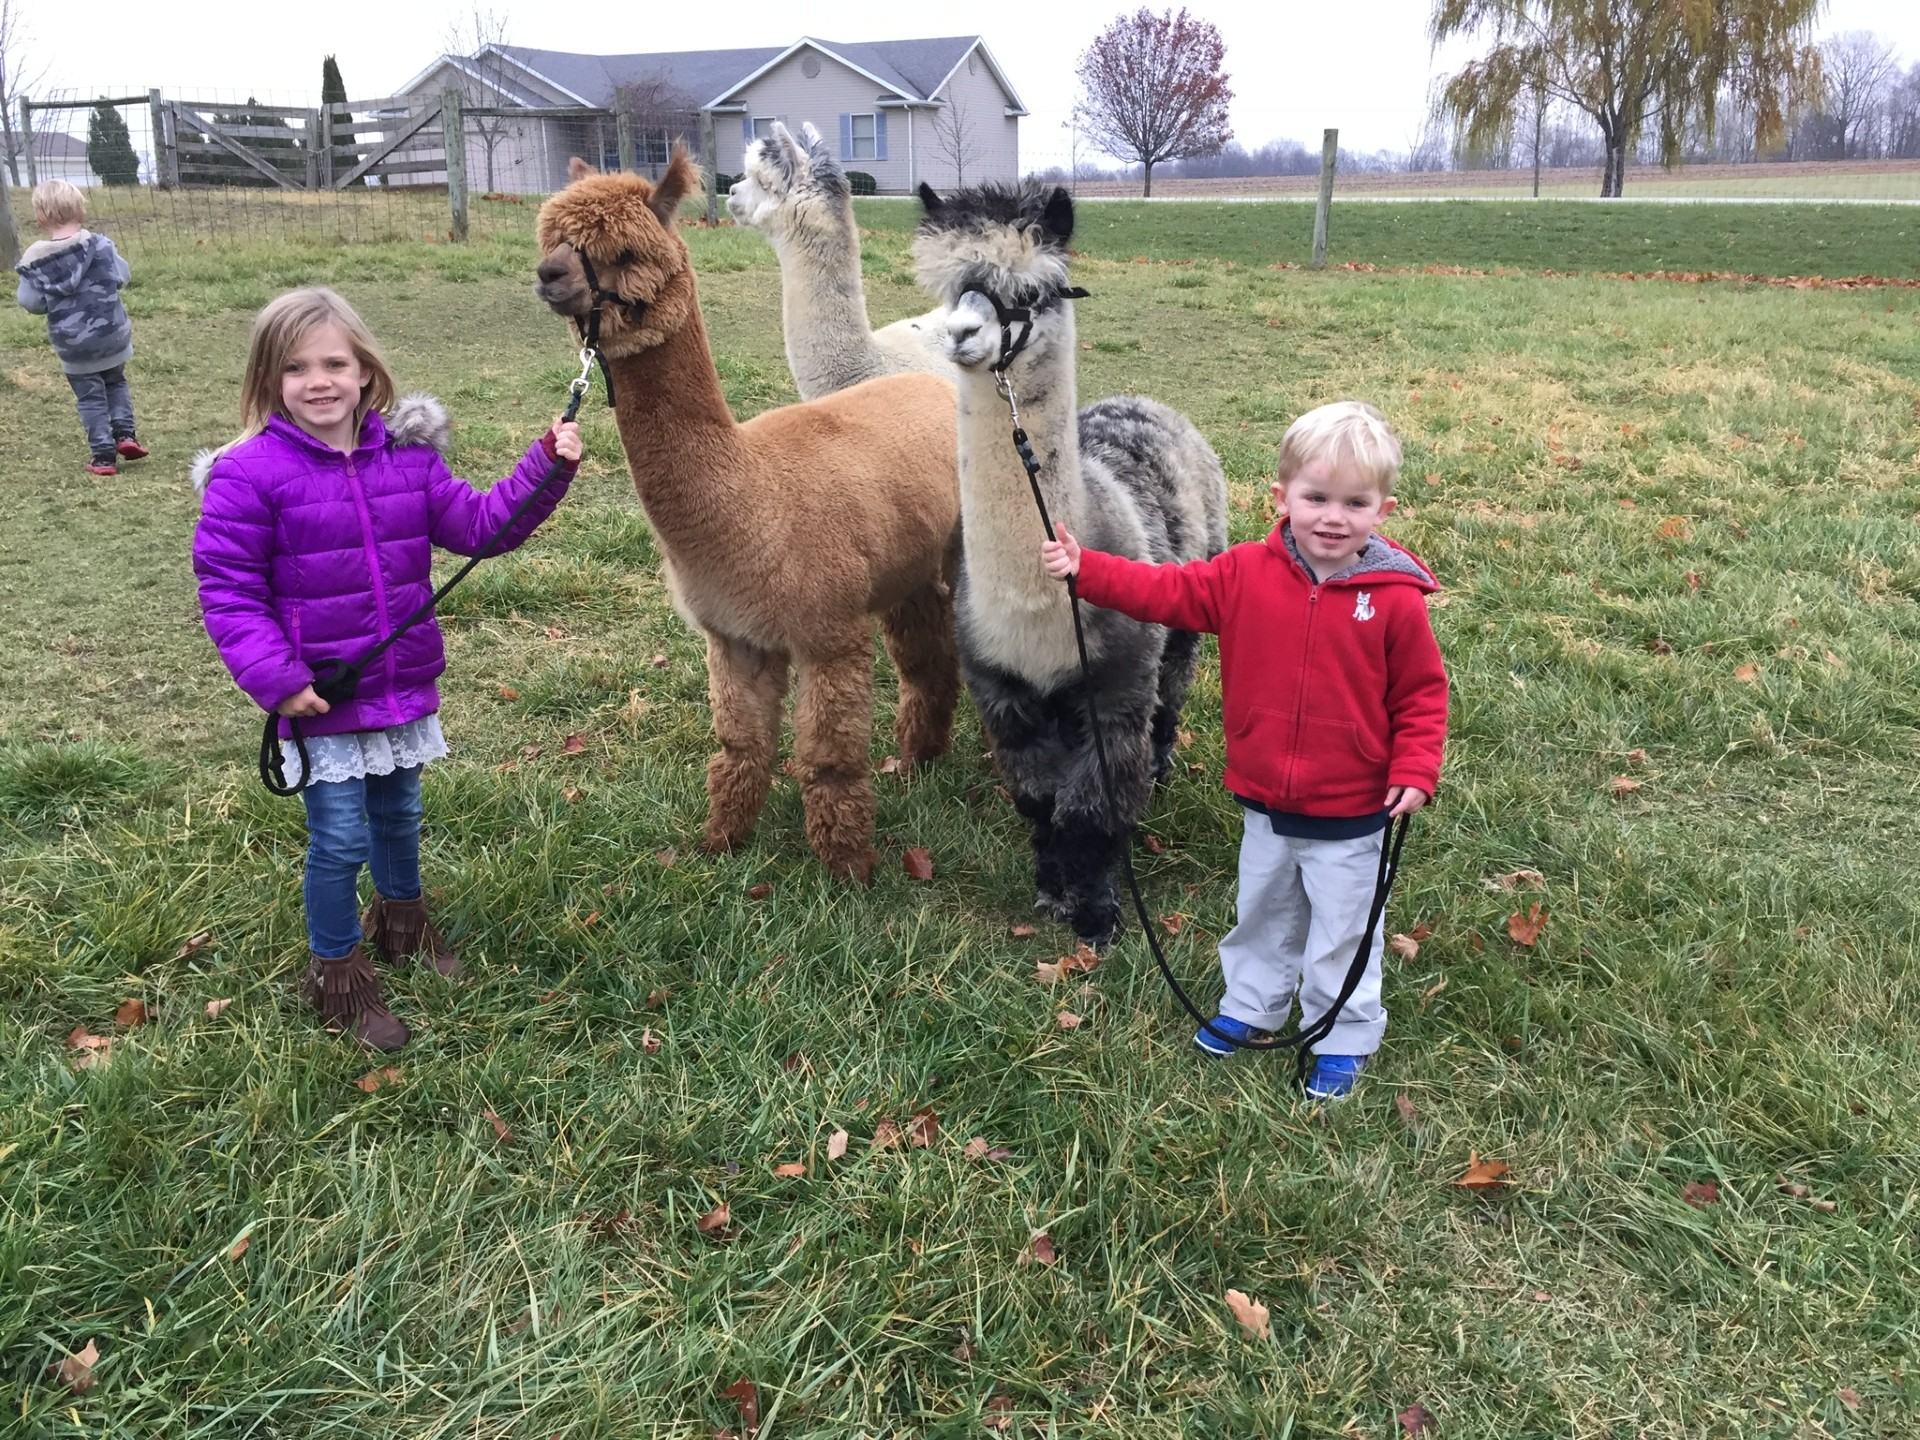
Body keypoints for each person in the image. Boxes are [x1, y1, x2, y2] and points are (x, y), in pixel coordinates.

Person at [193, 286, 582, 1050]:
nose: (319, 381)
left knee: (399, 816)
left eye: (334, 362)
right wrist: (277, 678)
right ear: (270, 381)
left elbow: (478, 526)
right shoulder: (249, 476)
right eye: (295, 367)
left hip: (399, 686)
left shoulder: (408, 459)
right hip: (318, 697)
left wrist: (546, 466)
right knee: (339, 838)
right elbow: (229, 591)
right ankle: (336, 973)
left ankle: (404, 925)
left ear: (365, 370)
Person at [1040, 400, 1448, 1099]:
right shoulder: (1243, 575)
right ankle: (1252, 1007)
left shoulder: (1392, 600)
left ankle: (1340, 1034)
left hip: (1353, 813)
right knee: (1262, 911)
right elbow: (1163, 591)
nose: (1332, 517)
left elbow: (1421, 693)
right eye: (1316, 497)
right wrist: (1088, 569)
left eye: (1355, 503)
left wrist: (1415, 766)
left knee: (1343, 931)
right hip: (1265, 799)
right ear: (1281, 496)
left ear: (1383, 510)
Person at [14, 179, 146, 476]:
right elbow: (122, 277)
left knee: (89, 397)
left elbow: (31, 302)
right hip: (111, 335)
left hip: (73, 344)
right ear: (81, 212)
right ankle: (126, 436)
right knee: (115, 382)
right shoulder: (101, 245)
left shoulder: (36, 260)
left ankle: (102, 456)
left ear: (40, 218)